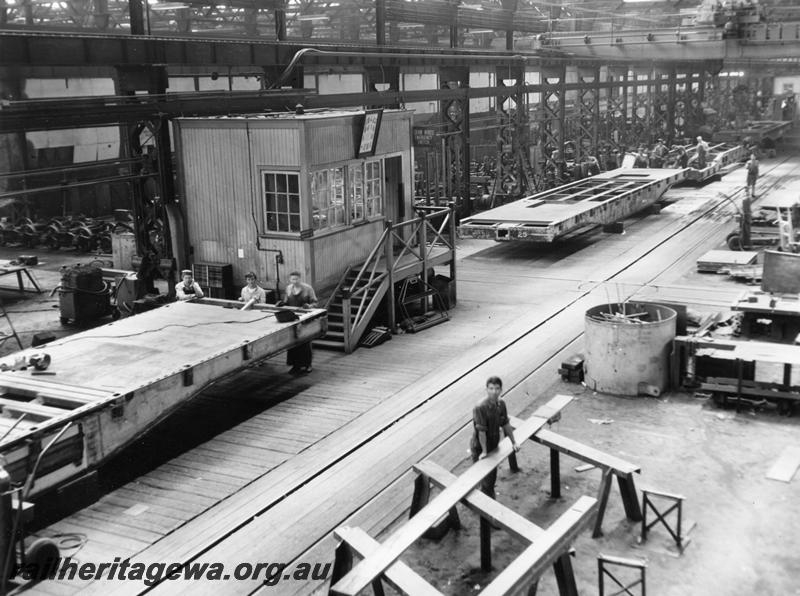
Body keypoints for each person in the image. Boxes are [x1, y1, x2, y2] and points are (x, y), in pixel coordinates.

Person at [470, 376, 520, 499]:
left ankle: (487, 496)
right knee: (482, 476)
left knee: (491, 477)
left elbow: (505, 424)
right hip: (480, 446)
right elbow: (481, 432)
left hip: (493, 444)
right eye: (491, 388)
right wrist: (484, 451)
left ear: (501, 390)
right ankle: (484, 502)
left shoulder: (501, 404)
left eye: (497, 389)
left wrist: (514, 442)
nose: (494, 392)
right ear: (486, 389)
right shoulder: (480, 407)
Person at [283, 271, 317, 374]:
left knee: (305, 342)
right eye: (293, 279)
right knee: (292, 342)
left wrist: (309, 306)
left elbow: (315, 302)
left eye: (296, 279)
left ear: (300, 279)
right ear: (290, 280)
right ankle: (295, 365)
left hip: (305, 318)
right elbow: (286, 302)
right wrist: (281, 304)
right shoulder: (288, 288)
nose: (295, 281)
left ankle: (308, 365)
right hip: (292, 318)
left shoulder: (308, 288)